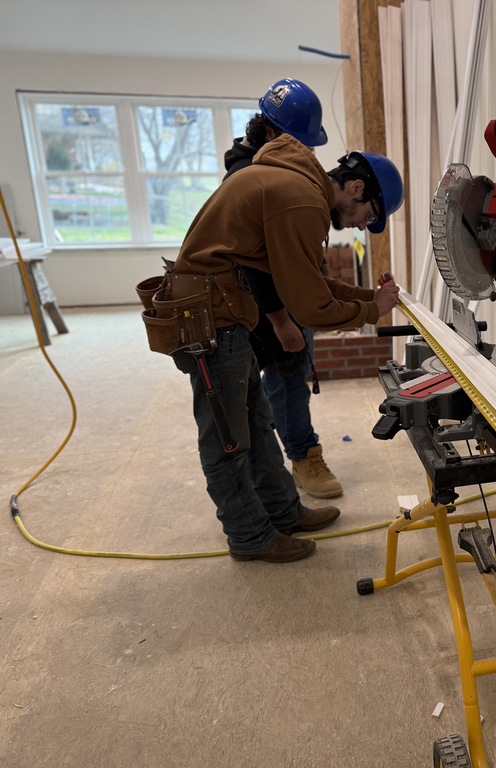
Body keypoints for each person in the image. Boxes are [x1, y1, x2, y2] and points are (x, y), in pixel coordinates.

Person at [167, 77, 404, 563]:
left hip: (226, 310)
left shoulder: (298, 186)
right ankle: (249, 536)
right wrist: (370, 312)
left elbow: (311, 284)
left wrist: (369, 297)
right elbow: (310, 306)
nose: (362, 225)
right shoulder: (302, 199)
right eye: (367, 214)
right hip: (208, 318)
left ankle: (281, 511)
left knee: (254, 419)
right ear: (356, 187)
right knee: (229, 437)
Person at [224, 84, 342, 499]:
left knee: (275, 382)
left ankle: (281, 463)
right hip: (260, 302)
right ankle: (302, 456)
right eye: (302, 143)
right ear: (274, 135)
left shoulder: (261, 168)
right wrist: (281, 320)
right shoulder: (252, 176)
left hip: (271, 297)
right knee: (287, 374)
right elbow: (255, 258)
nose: (308, 155)